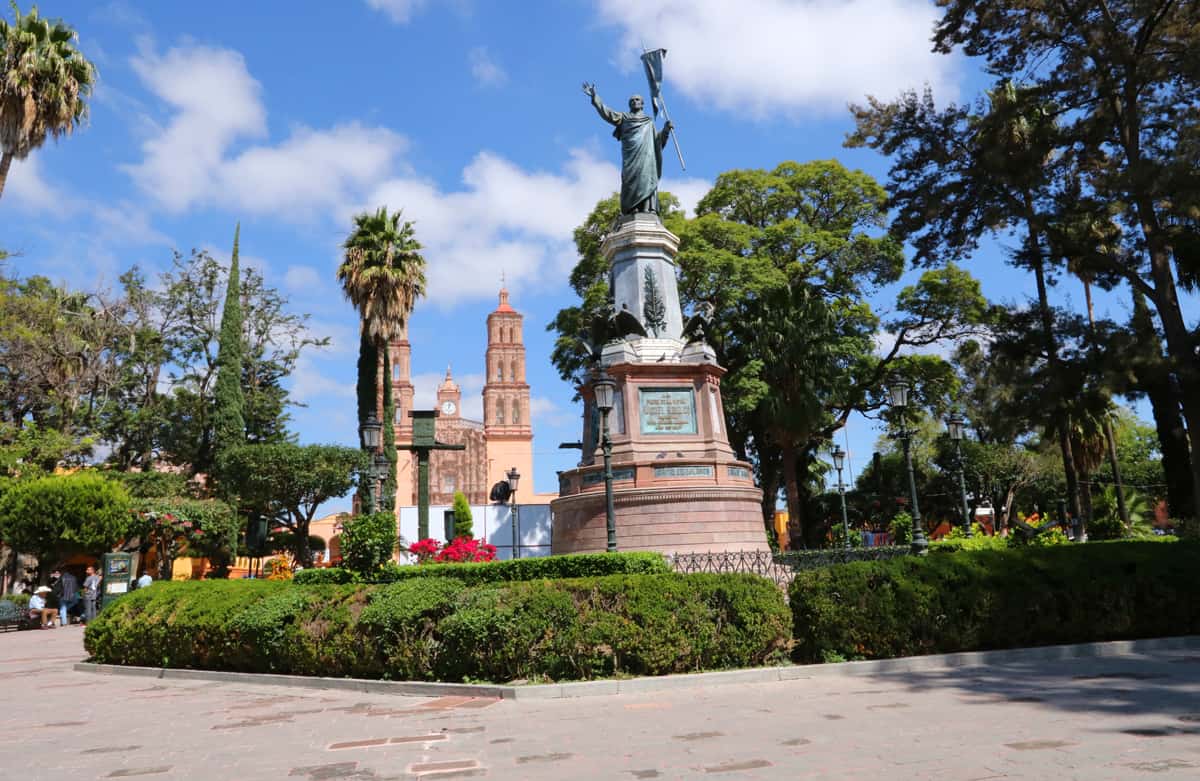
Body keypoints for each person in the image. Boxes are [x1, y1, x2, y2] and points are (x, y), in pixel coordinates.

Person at [582, 83, 673, 215]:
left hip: (647, 156)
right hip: (631, 156)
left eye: (637, 100)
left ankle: (648, 208)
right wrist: (595, 98)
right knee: (631, 179)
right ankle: (632, 208)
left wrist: (665, 130)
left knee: (646, 178)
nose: (634, 102)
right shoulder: (624, 118)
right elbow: (607, 113)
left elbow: (656, 143)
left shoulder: (649, 122)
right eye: (632, 100)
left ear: (642, 104)